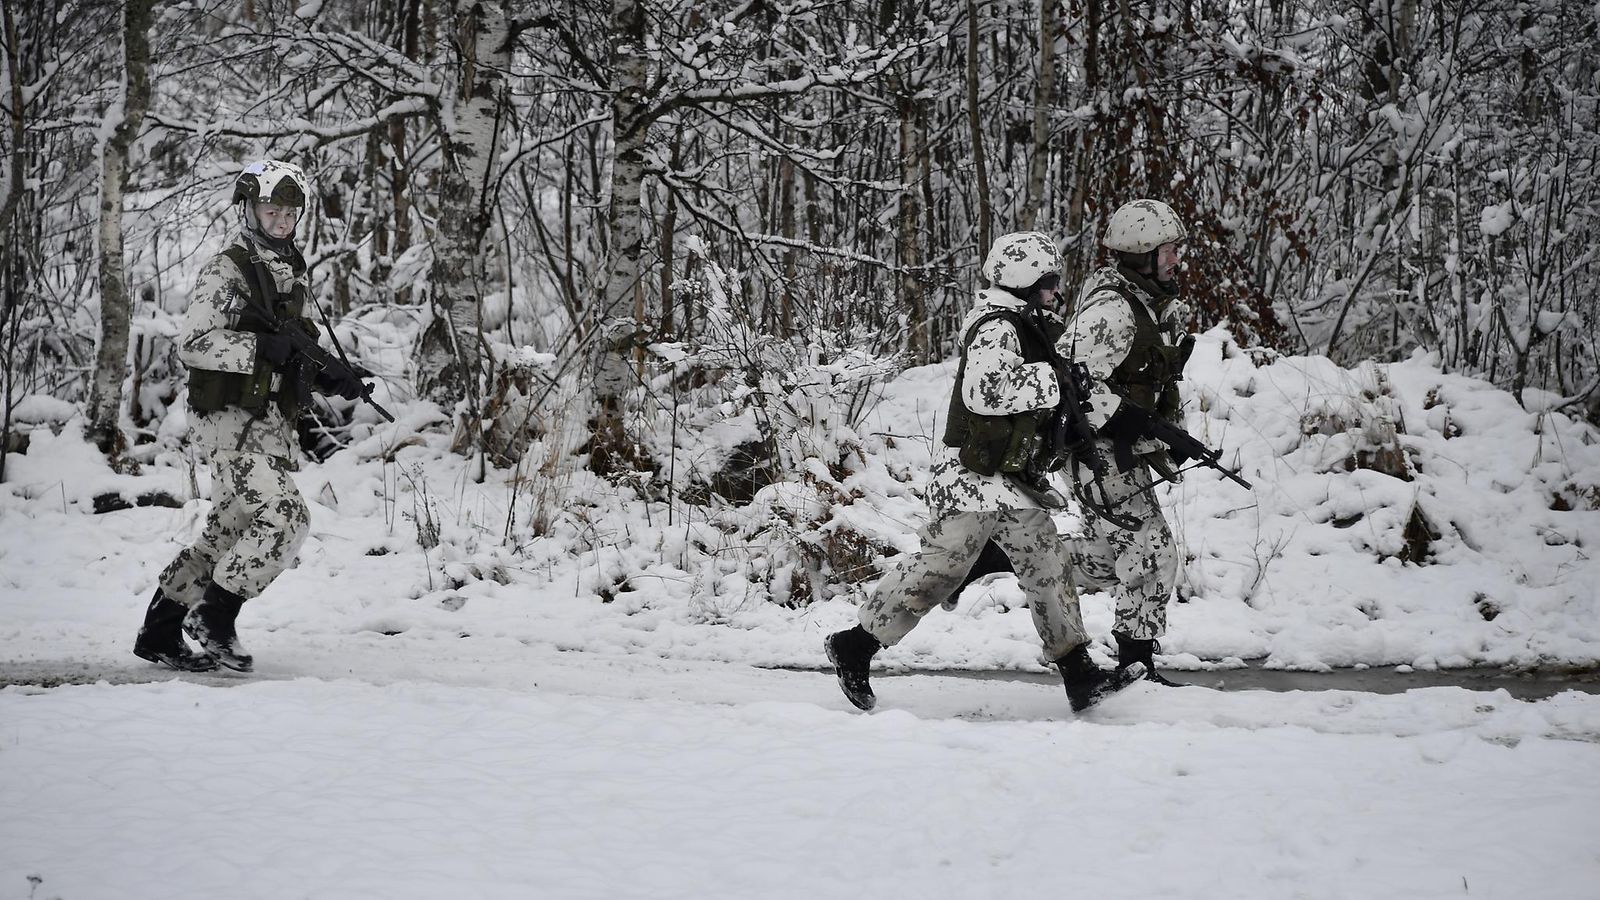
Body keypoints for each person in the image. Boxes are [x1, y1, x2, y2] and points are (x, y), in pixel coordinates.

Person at [824, 232, 1145, 713]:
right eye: (1050, 282)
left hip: (1010, 480)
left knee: (1047, 564)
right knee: (942, 568)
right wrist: (1055, 378)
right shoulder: (997, 326)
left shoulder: (1025, 323)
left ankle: (1077, 670)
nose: (1057, 291)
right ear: (1023, 280)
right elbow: (987, 392)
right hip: (973, 479)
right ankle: (855, 644)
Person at [132, 159, 367, 673]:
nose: (282, 221)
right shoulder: (229, 267)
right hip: (229, 422)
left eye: (290, 213)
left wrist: (332, 375)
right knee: (287, 518)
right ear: (251, 209)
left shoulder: (288, 273)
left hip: (268, 424)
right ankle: (214, 617)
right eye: (272, 210)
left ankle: (160, 630)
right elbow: (193, 344)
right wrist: (262, 346)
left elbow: (295, 348)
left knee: (225, 532)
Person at [1057, 199, 1193, 686]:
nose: (1176, 259)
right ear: (1142, 255)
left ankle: (1009, 554)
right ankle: (1137, 668)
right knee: (1154, 555)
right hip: (1094, 454)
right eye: (1169, 250)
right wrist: (1133, 421)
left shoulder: (1146, 304)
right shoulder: (1113, 311)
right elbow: (1066, 381)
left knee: (1115, 559)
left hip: (1115, 452)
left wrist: (1165, 431)